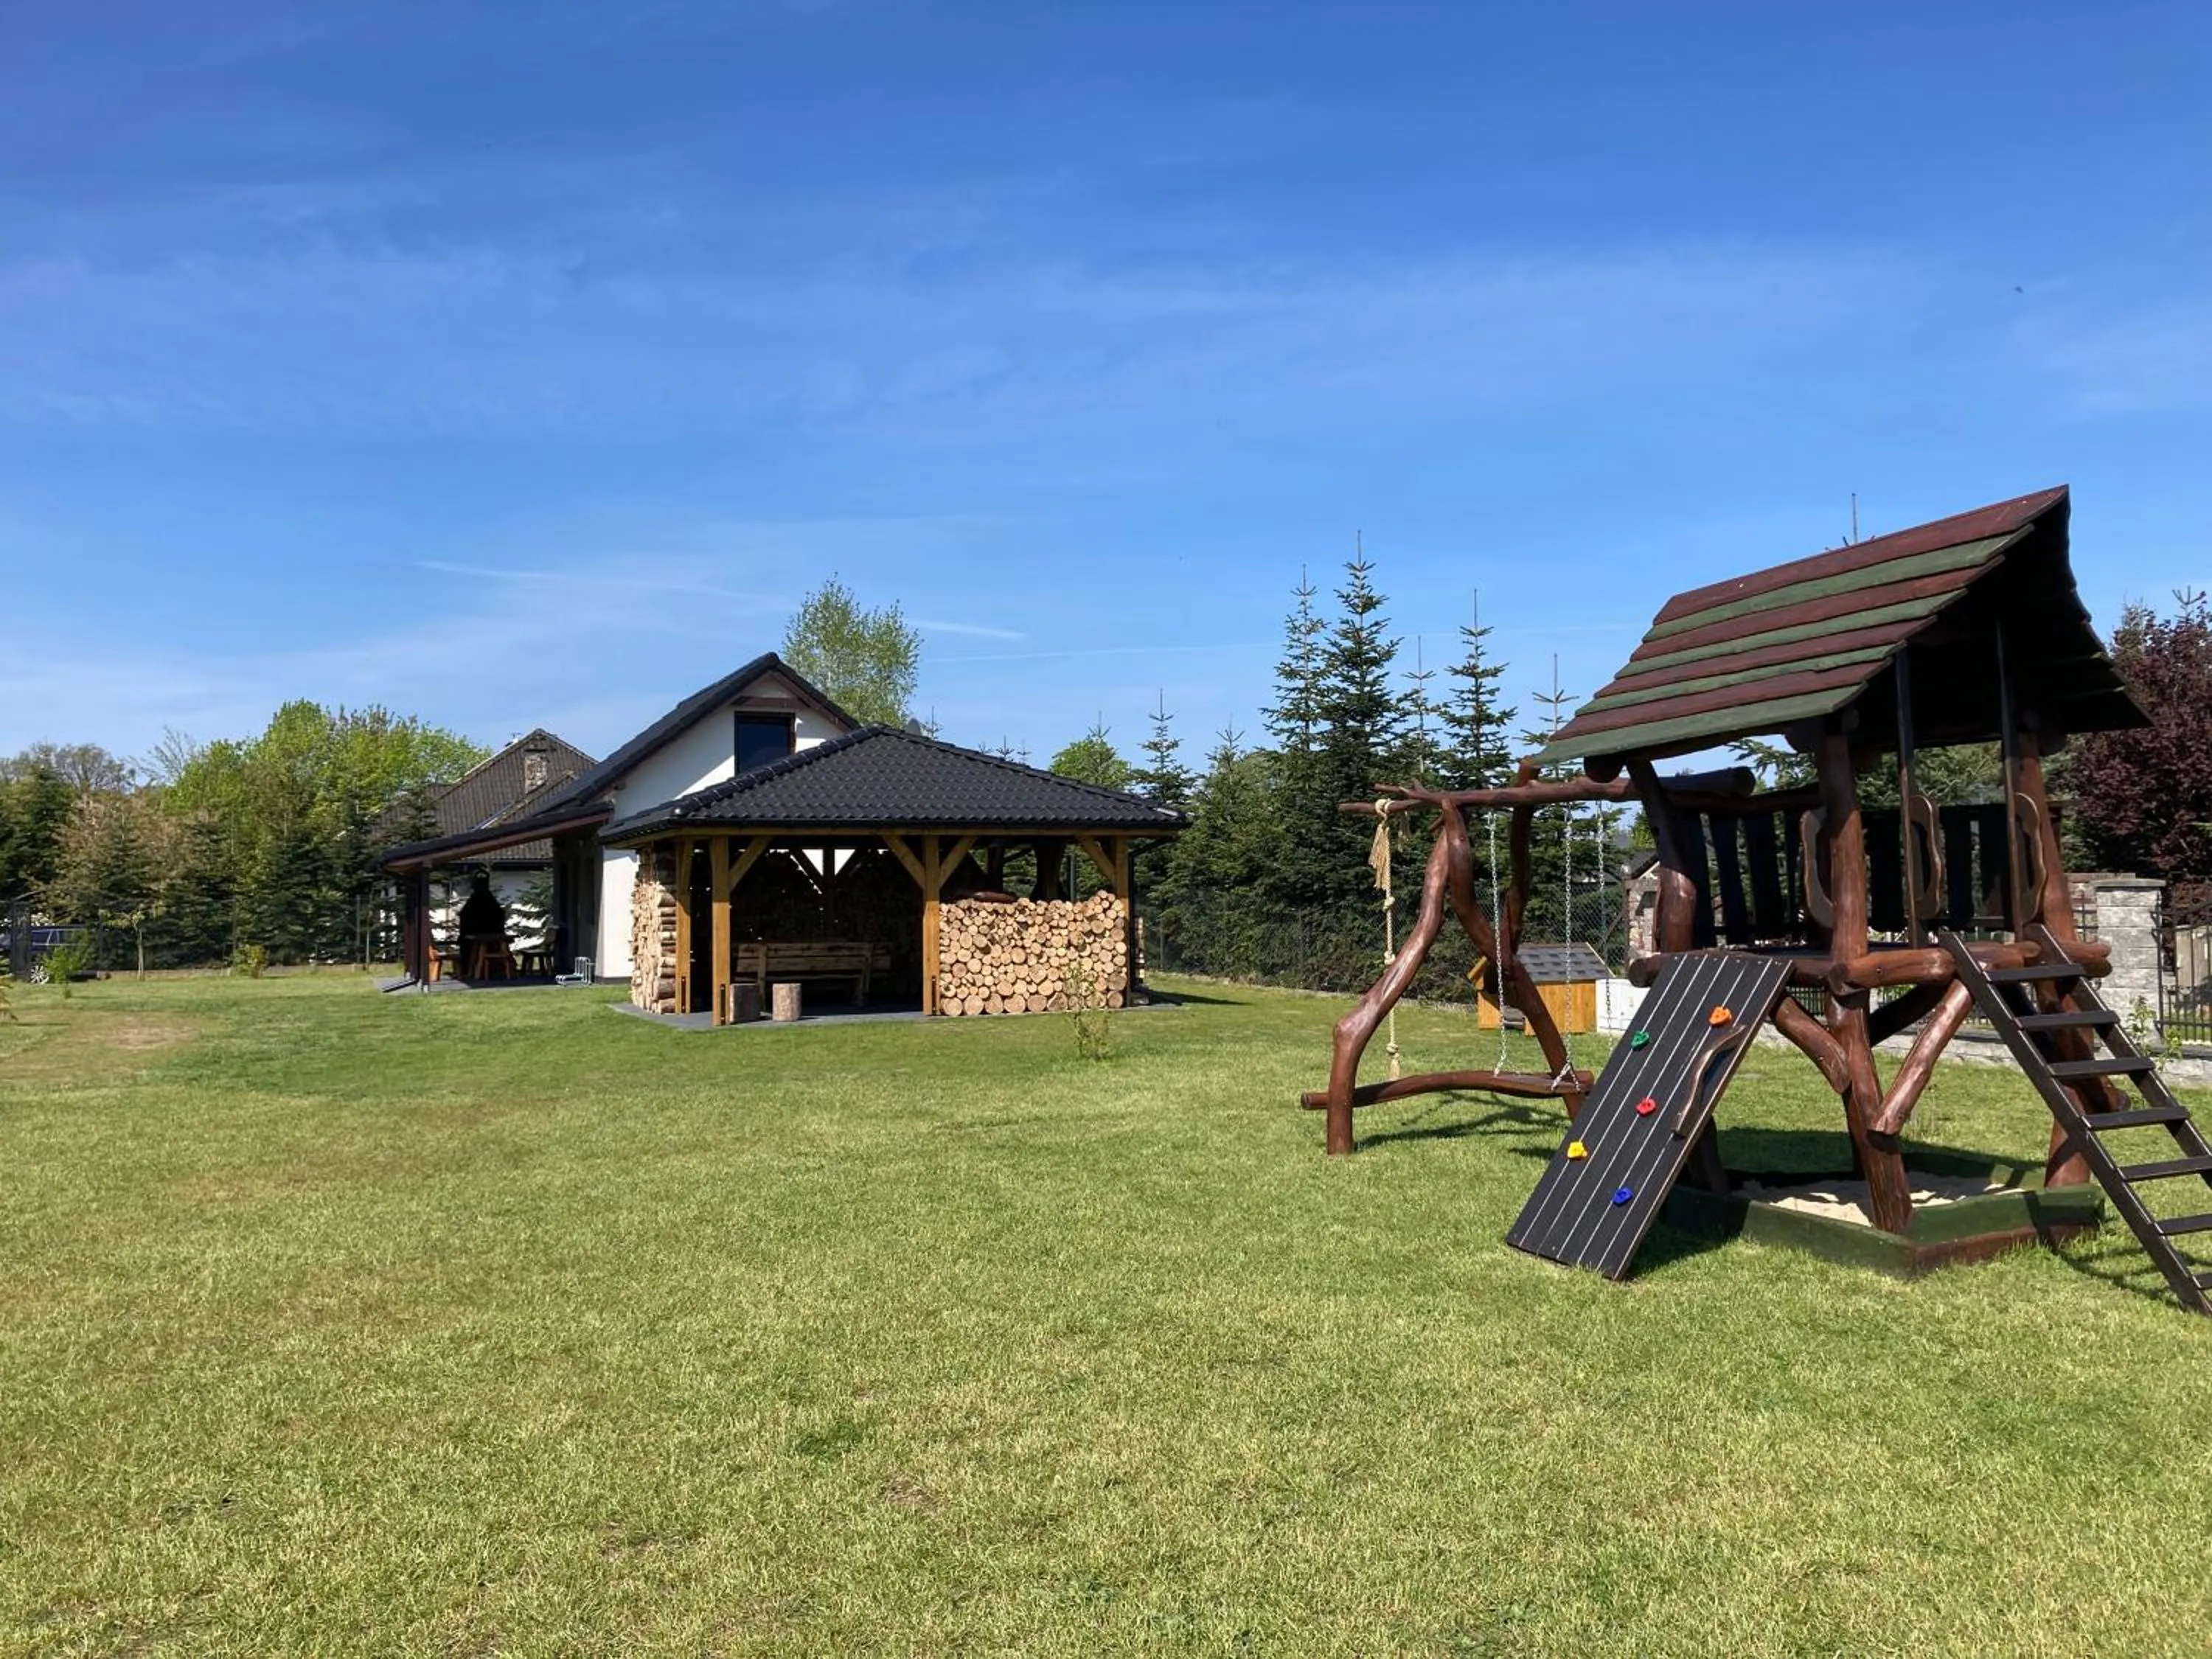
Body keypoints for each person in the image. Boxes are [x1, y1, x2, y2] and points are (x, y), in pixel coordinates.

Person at [456, 873, 510, 975]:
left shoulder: (479, 901)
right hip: (476, 935)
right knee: (475, 948)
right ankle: (475, 970)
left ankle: (482, 970)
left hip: (486, 935)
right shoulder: (480, 901)